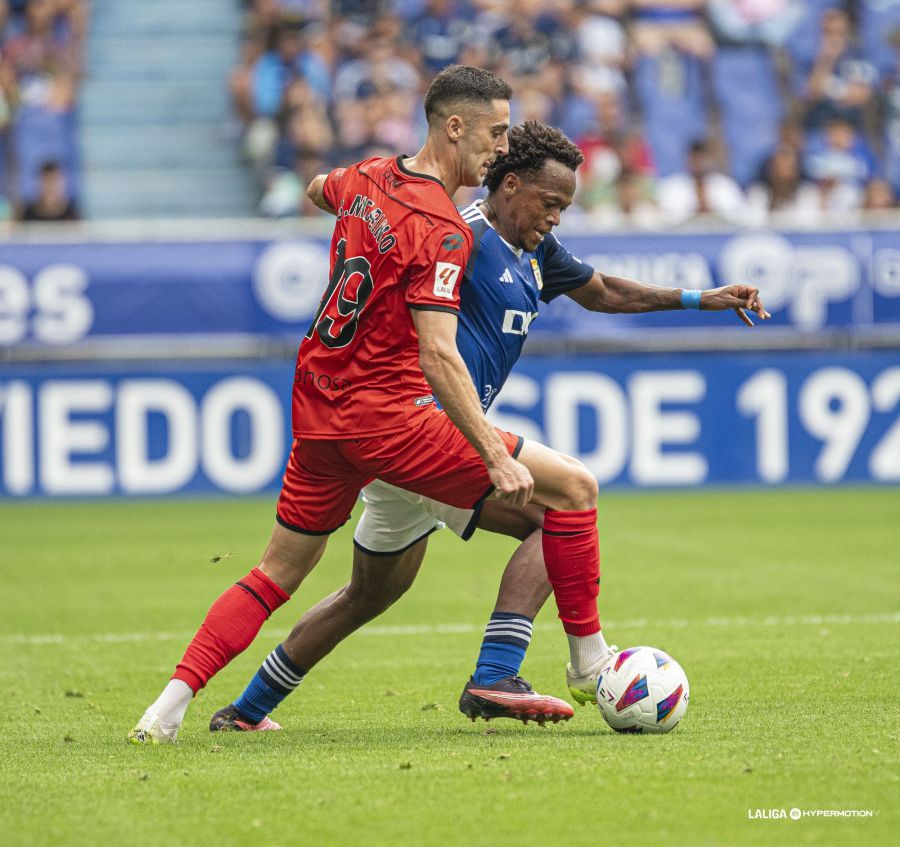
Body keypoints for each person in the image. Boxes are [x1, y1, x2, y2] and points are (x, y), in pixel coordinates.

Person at [206, 121, 770, 734]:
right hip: (421, 434)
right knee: (559, 512)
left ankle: (246, 711)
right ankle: (505, 671)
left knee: (366, 595)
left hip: (416, 447)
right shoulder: (461, 239)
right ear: (508, 184)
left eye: (565, 208)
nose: (556, 218)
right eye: (548, 203)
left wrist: (699, 299)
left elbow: (604, 291)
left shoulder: (534, 251)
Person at [129, 66, 612, 744]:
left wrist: (367, 222)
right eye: (496, 133)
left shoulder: (362, 179)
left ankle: (170, 705)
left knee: (279, 573)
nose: (501, 149)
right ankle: (590, 667)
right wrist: (489, 455)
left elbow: (314, 187)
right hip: (389, 418)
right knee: (572, 489)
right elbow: (439, 355)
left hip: (318, 412)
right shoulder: (445, 230)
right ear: (455, 127)